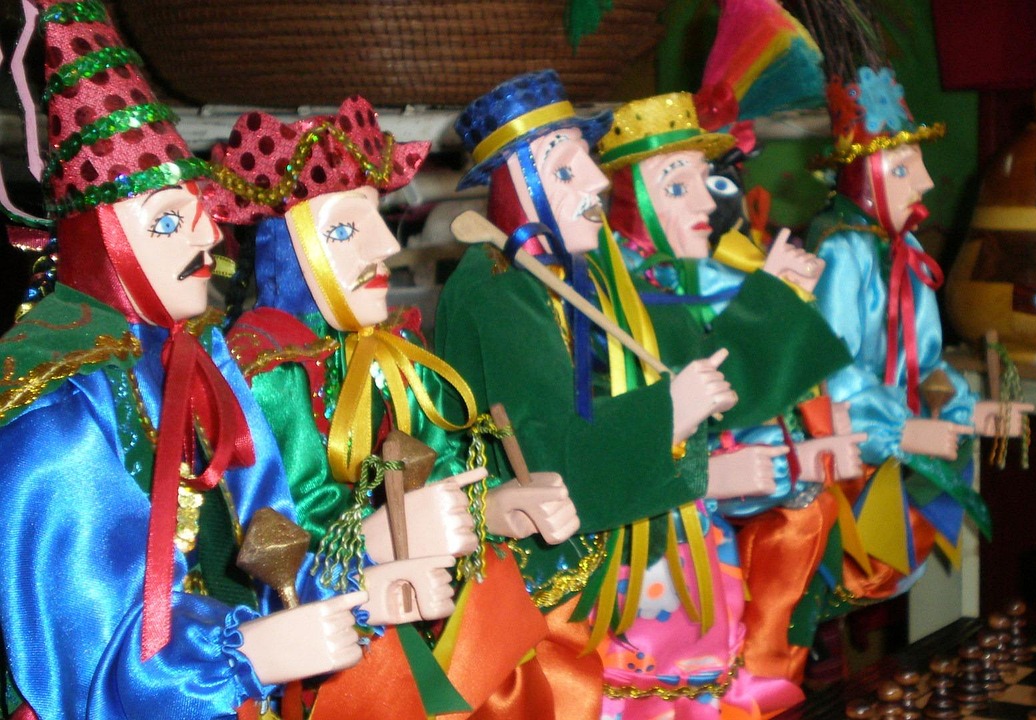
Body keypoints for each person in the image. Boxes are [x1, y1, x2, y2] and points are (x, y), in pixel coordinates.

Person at [0, 3, 395, 716]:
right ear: (99, 240)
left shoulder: (194, 353)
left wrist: (360, 585)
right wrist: (254, 652)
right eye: (168, 218)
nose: (211, 233)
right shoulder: (58, 410)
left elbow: (266, 529)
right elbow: (85, 658)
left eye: (199, 210)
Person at [205, 97, 579, 719]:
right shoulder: (261, 371)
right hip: (335, 668)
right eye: (346, 230)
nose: (386, 244)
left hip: (429, 629)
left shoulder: (394, 347)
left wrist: (497, 508)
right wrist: (375, 543)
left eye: (378, 219)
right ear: (289, 249)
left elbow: (448, 464)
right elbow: (249, 559)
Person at [436, 70, 740, 718]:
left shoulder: (548, 276)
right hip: (530, 608)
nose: (599, 181)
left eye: (590, 164)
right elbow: (551, 458)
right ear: (520, 184)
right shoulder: (498, 286)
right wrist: (671, 412)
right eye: (569, 170)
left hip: (577, 590)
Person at [599, 91, 869, 705]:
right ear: (628, 197)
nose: (705, 202)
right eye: (676, 185)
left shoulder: (671, 286)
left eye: (705, 181)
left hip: (699, 559)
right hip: (645, 570)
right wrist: (713, 475)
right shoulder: (612, 306)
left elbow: (726, 404)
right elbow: (617, 448)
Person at [806, 65, 1032, 607]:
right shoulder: (839, 252)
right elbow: (830, 376)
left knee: (912, 535)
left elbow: (923, 360)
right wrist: (903, 430)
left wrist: (966, 409)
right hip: (843, 459)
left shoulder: (904, 254)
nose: (927, 181)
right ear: (867, 175)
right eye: (906, 167)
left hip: (889, 450)